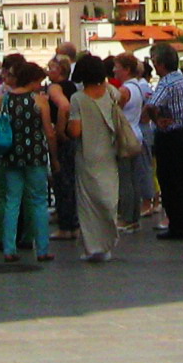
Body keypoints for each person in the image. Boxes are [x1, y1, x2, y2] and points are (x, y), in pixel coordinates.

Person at [0, 56, 55, 263]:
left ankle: (9, 247)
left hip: (11, 155)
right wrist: (54, 158)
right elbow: (48, 132)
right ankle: (42, 248)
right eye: (38, 81)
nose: (40, 85)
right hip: (35, 156)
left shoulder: (7, 99)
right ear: (31, 81)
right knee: (38, 201)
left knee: (12, 201)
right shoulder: (40, 101)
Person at [67, 52, 126, 261]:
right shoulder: (110, 92)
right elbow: (123, 100)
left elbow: (75, 131)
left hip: (87, 154)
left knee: (88, 202)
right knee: (108, 197)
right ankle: (108, 240)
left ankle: (93, 246)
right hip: (109, 154)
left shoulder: (78, 99)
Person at [145, 43, 183, 240]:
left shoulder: (166, 83)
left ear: (160, 64)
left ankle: (176, 225)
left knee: (169, 181)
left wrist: (156, 119)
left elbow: (152, 104)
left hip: (170, 136)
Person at [113, 53, 157, 225]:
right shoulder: (138, 87)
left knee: (125, 179)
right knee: (134, 177)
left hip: (125, 136)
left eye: (117, 66)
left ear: (126, 69)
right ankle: (134, 215)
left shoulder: (124, 91)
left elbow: (115, 113)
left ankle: (126, 217)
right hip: (136, 133)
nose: (114, 70)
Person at [45, 56, 80, 240]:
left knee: (61, 180)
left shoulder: (55, 88)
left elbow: (64, 106)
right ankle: (73, 224)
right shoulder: (72, 86)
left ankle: (65, 226)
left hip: (62, 139)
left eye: (51, 68)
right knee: (71, 181)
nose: (48, 71)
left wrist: (59, 130)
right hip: (72, 138)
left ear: (61, 70)